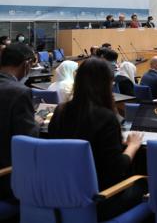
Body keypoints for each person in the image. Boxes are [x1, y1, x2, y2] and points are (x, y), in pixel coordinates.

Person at [48, 58, 146, 221]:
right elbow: (116, 169)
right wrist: (133, 146)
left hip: (62, 196)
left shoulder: (60, 111)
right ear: (107, 84)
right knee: (146, 184)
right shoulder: (106, 117)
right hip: (101, 200)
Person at [0, 43, 39, 201]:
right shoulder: (20, 92)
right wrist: (35, 121)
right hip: (8, 182)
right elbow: (28, 140)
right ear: (27, 64)